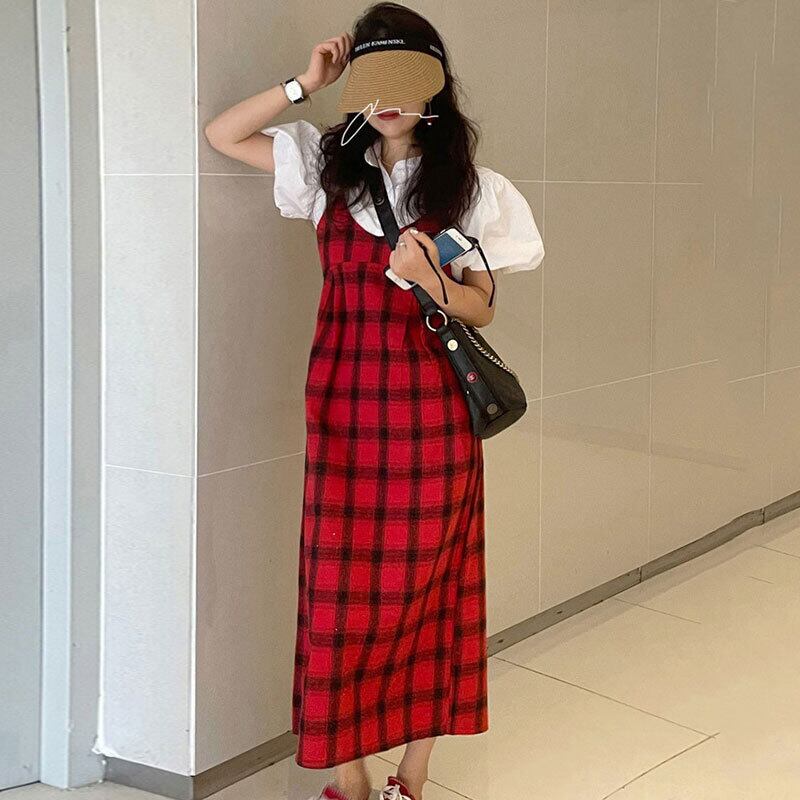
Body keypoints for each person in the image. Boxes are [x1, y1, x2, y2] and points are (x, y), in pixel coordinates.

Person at [205, 4, 544, 800]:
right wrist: (306, 82)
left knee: (431, 594)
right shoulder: (326, 169)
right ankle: (350, 777)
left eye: (405, 82)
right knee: (341, 599)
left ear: (436, 87)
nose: (388, 101)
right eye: (373, 83)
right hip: (344, 412)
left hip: (433, 421)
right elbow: (224, 134)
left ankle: (413, 775)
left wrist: (428, 279)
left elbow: (482, 308)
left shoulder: (469, 189)